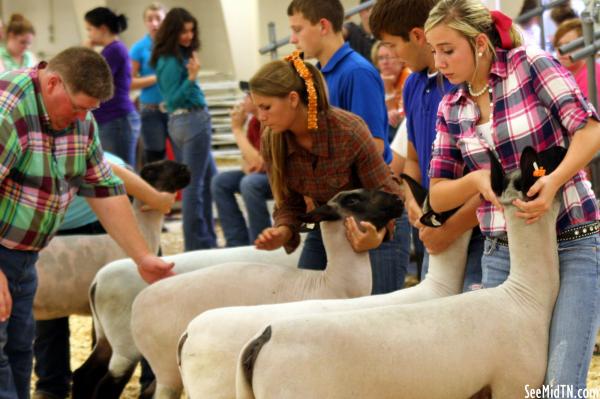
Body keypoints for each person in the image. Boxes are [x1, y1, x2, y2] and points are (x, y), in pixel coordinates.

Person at [424, 0, 600, 391]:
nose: (439, 62)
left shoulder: (531, 64)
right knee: (507, 387)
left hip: (571, 235)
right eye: (434, 51)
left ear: (480, 43)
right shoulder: (449, 107)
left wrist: (553, 183)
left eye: (448, 50)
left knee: (560, 383)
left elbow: (590, 130)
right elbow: (437, 197)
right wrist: (475, 181)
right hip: (502, 250)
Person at [0, 46, 174, 399]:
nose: (82, 117)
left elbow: (105, 188)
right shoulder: (8, 110)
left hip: (24, 253)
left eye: (90, 110)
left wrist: (142, 257)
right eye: (78, 107)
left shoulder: (82, 122)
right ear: (52, 83)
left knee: (19, 349)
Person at [287, 0, 409, 294]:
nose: (293, 39)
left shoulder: (357, 72)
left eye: (297, 29)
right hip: (333, 212)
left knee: (375, 322)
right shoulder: (316, 77)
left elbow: (375, 146)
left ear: (324, 26)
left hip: (368, 214)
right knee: (306, 307)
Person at [32, 153, 175, 399]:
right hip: (48, 225)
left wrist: (157, 198)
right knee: (49, 303)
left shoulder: (26, 125)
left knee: (137, 299)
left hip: (103, 214)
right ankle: (51, 385)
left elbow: (100, 164)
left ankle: (153, 383)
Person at [369, 0, 483, 291]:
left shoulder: (464, 82)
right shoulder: (412, 85)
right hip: (434, 221)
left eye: (392, 45)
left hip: (478, 225)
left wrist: (451, 228)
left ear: (418, 36)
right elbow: (412, 157)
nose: (392, 55)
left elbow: (492, 177)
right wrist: (410, 199)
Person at [251, 54, 403, 272]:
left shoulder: (348, 131)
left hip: (382, 225)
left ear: (293, 99)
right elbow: (289, 202)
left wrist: (376, 236)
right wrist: (283, 231)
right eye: (257, 108)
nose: (260, 117)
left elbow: (387, 195)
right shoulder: (272, 139)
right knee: (308, 302)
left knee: (372, 305)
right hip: (329, 223)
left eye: (266, 107)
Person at [151, 7, 217, 251]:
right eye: (183, 31)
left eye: (191, 30)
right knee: (194, 187)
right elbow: (173, 100)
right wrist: (191, 78)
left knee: (211, 182)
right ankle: (197, 245)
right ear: (172, 31)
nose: (189, 35)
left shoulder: (177, 55)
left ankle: (207, 239)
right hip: (190, 122)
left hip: (189, 123)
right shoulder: (170, 60)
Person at [211, 88, 273, 247]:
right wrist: (251, 163)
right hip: (263, 173)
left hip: (281, 175)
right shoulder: (253, 123)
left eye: (246, 96)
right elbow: (247, 162)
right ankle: (236, 243)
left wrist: (237, 130)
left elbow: (259, 164)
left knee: (250, 183)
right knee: (220, 181)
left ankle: (260, 241)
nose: (242, 101)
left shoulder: (270, 120)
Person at [84, 7, 140, 167]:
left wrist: (86, 52)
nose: (89, 34)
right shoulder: (110, 50)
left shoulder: (114, 50)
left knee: (121, 173)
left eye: (90, 29)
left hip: (117, 120)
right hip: (111, 120)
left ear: (102, 28)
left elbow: (93, 80)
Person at [130, 2, 170, 165]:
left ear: (166, 21)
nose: (154, 23)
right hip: (150, 110)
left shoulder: (175, 46)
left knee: (181, 156)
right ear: (145, 22)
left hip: (175, 109)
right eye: (150, 19)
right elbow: (129, 82)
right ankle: (156, 191)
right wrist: (157, 77)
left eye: (158, 19)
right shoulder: (138, 48)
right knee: (155, 158)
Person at [553, 18, 600, 105]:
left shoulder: (590, 75)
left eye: (569, 45)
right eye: (559, 45)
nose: (561, 51)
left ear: (584, 46)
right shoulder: (566, 74)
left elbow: (589, 117)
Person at [371, 40, 410, 141]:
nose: (385, 62)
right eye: (380, 58)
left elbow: (396, 119)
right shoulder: (378, 80)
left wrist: (388, 90)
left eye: (388, 57)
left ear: (400, 59)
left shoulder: (409, 77)